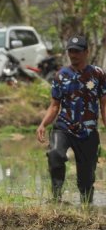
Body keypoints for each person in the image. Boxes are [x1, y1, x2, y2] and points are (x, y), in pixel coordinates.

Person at [36, 36, 106, 204]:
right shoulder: (61, 76)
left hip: (88, 130)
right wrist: (43, 124)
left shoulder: (97, 74)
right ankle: (56, 198)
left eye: (77, 51)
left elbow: (104, 103)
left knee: (86, 177)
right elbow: (54, 106)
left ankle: (86, 208)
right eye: (70, 51)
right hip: (64, 126)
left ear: (86, 52)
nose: (73, 55)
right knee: (55, 154)